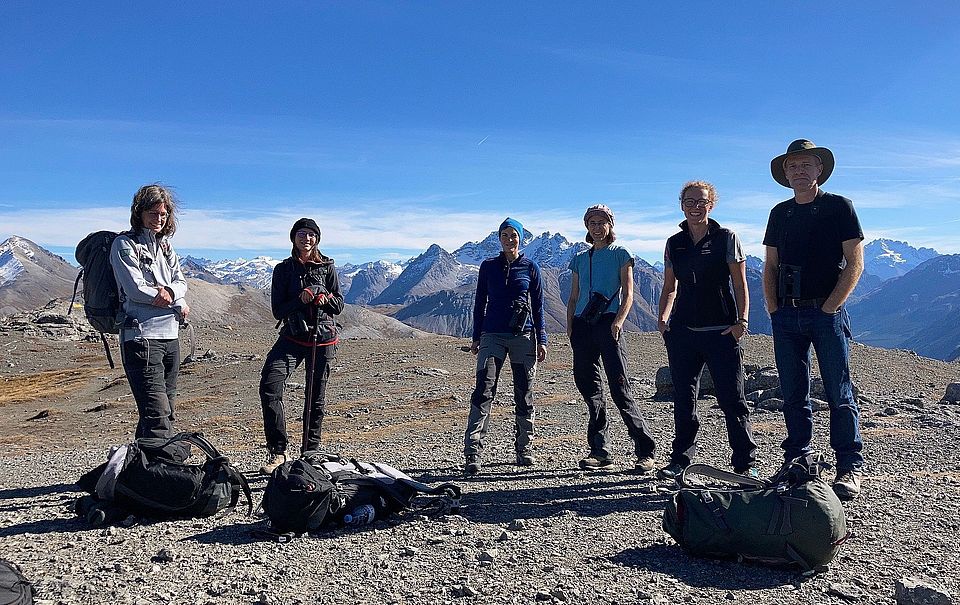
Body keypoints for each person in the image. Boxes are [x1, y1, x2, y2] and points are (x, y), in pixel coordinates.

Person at [762, 139, 865, 500]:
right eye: (793, 167)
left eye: (806, 165)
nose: (799, 171)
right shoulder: (780, 212)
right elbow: (770, 265)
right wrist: (773, 309)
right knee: (793, 392)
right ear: (785, 174)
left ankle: (849, 466)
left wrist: (831, 307)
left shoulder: (839, 207)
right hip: (786, 314)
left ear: (819, 169)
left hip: (826, 312)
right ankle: (797, 459)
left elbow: (855, 263)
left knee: (839, 391)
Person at [656, 181, 758, 480]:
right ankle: (681, 459)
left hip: (721, 331)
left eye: (701, 201)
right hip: (684, 332)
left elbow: (740, 284)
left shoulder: (727, 238)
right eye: (689, 201)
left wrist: (743, 322)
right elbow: (669, 287)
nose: (695, 206)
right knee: (684, 399)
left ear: (711, 204)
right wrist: (663, 321)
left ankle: (744, 462)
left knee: (732, 398)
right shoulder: (674, 243)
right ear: (681, 204)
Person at [566, 204, 657, 472]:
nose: (596, 227)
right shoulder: (580, 259)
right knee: (590, 390)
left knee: (620, 388)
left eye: (601, 222)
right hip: (583, 326)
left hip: (608, 323)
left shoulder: (621, 254)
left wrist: (618, 322)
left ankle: (645, 450)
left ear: (610, 225)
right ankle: (599, 451)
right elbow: (572, 297)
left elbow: (628, 294)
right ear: (586, 227)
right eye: (591, 223)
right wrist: (571, 326)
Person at [258, 218, 344, 475]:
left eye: (311, 234)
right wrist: (300, 298)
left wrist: (324, 297)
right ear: (293, 238)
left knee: (315, 396)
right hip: (293, 337)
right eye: (301, 234)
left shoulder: (328, 267)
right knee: (269, 385)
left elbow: (339, 305)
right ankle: (278, 451)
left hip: (323, 337)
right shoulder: (283, 270)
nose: (306, 238)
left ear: (317, 239)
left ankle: (310, 452)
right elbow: (277, 310)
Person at [463, 218, 547, 475]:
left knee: (524, 392)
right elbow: (479, 303)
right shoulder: (488, 267)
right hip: (492, 336)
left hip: (523, 336)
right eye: (505, 235)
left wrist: (541, 339)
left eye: (514, 235)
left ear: (521, 238)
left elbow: (539, 306)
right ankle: (473, 452)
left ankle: (524, 449)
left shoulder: (531, 267)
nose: (510, 239)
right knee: (484, 389)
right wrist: (476, 336)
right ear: (499, 238)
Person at [110, 184, 190, 449]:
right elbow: (135, 290)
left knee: (162, 411)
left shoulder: (165, 246)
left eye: (163, 214)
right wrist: (168, 295)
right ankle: (160, 477)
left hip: (170, 337)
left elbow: (181, 282)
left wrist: (169, 292)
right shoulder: (124, 245)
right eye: (153, 213)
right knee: (157, 414)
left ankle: (141, 475)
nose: (158, 219)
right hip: (141, 338)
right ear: (140, 212)